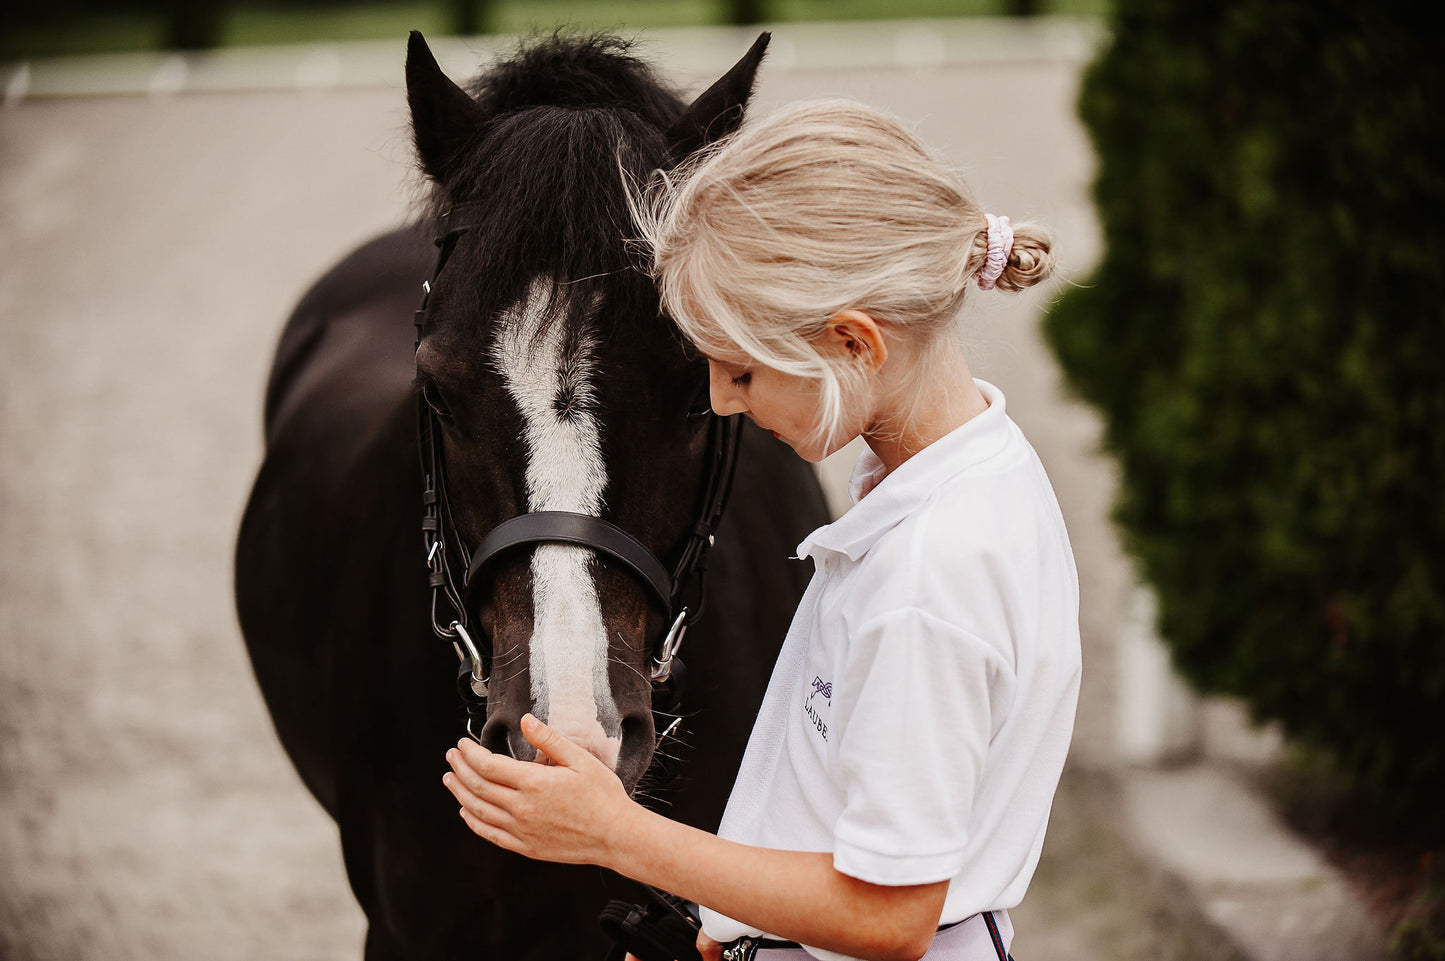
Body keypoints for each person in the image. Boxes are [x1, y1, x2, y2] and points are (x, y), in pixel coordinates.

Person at [443, 98, 1081, 961]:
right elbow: (846, 815)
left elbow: (887, 916)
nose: (718, 400)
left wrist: (611, 833)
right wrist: (734, 934)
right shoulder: (966, 474)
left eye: (739, 369)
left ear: (853, 342)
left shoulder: (927, 581)